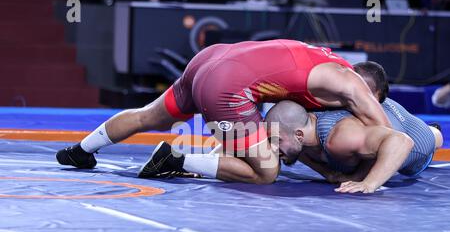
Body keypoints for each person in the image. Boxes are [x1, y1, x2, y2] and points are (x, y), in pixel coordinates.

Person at [56, 39, 390, 185]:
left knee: (148, 115)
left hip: (210, 60)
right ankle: (176, 159)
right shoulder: (349, 84)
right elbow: (387, 133)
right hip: (228, 88)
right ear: (370, 90)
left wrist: (327, 172)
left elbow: (284, 130)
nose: (362, 108)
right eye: (373, 100)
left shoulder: (326, 62)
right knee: (266, 172)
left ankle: (80, 151)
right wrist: (371, 177)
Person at [263, 98, 443, 193]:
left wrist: (369, 183)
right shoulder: (298, 138)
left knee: (432, 140)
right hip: (376, 120)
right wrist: (329, 174)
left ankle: (434, 131)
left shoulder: (339, 138)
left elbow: (402, 142)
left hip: (414, 138)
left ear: (299, 135)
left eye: (277, 141)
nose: (273, 148)